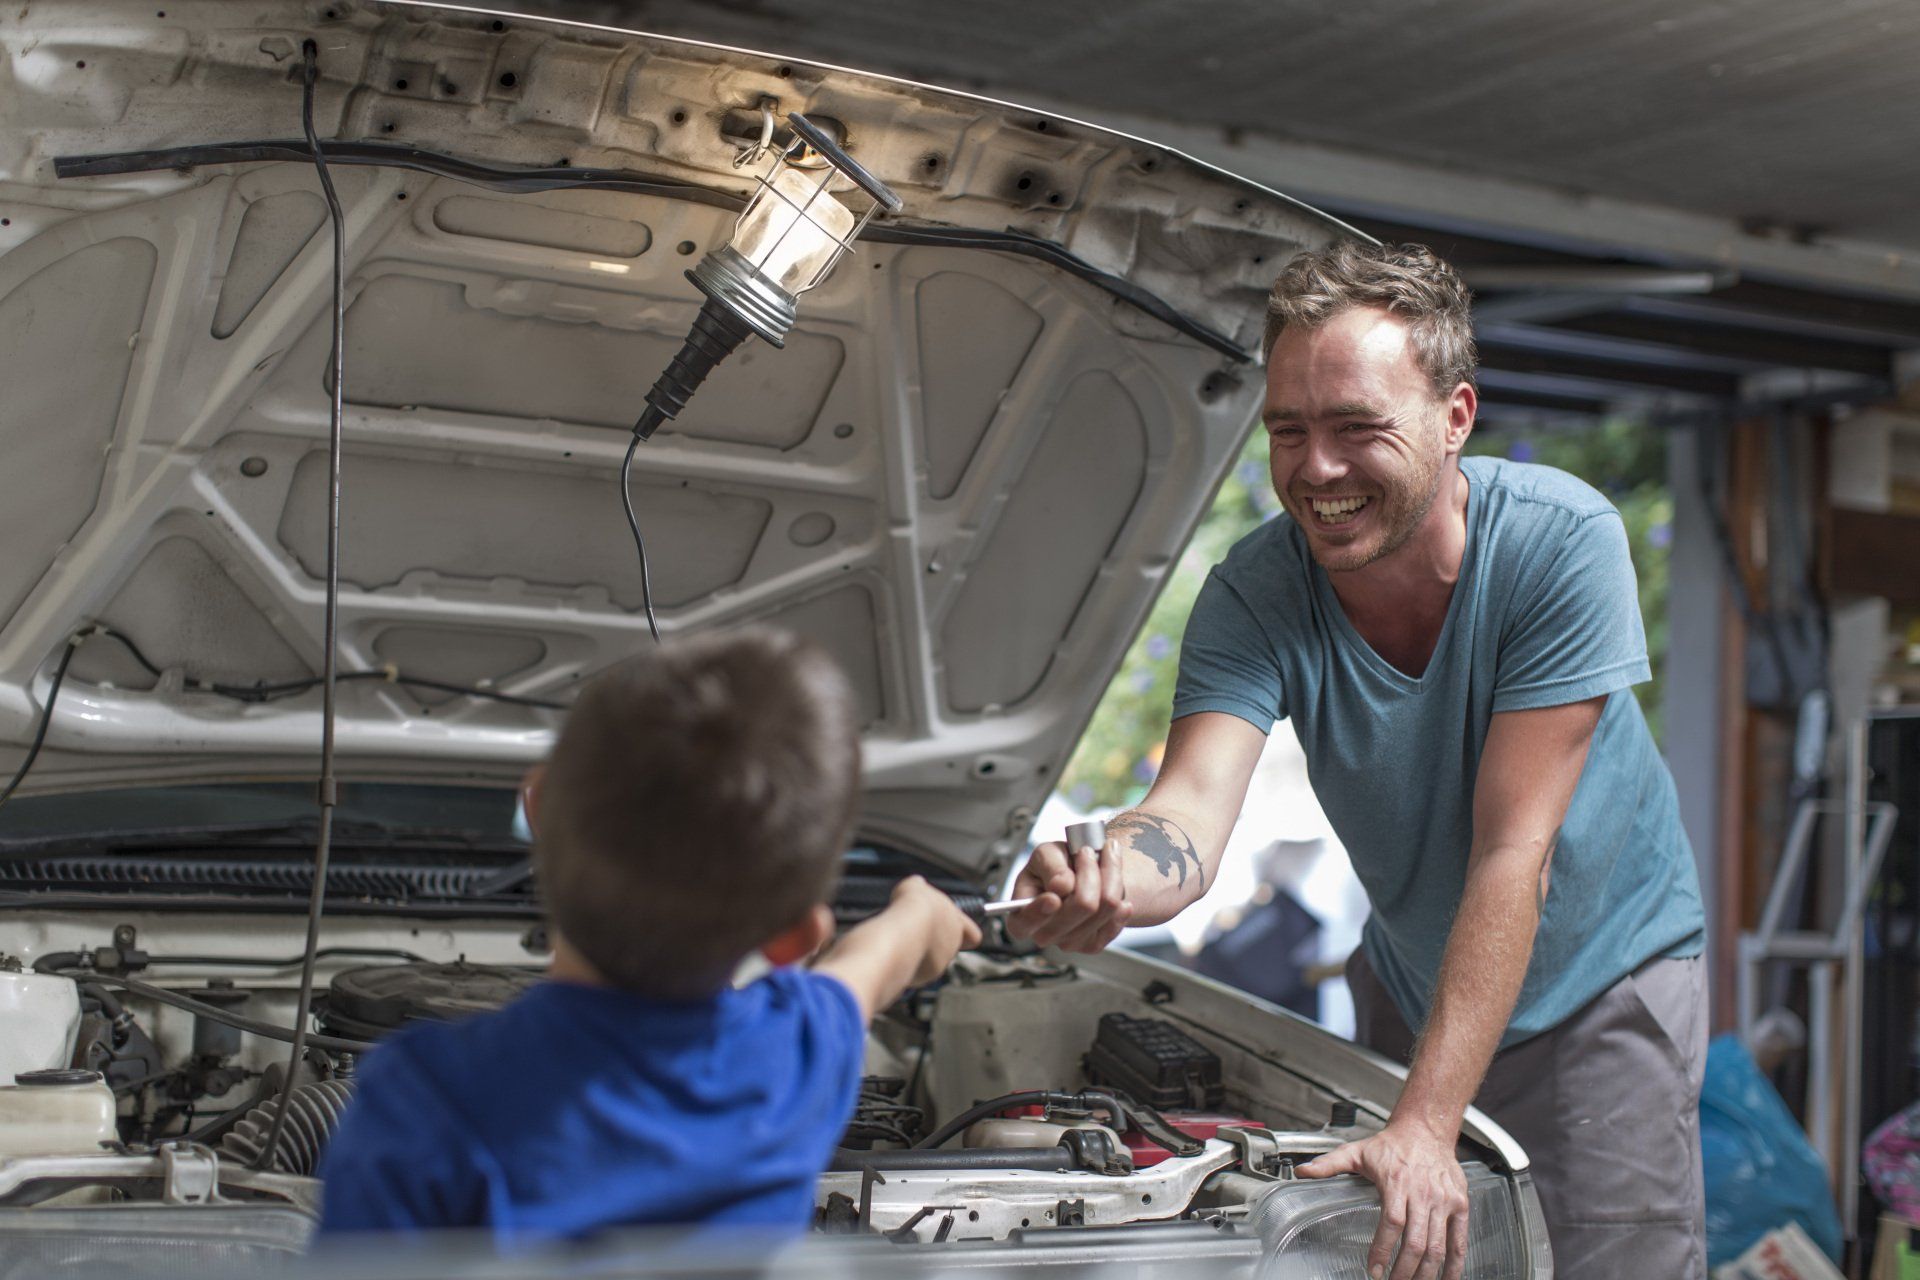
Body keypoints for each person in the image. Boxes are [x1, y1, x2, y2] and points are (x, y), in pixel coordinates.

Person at [1007, 241, 1707, 1280]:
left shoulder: (1562, 544)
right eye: (1288, 430)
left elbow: (1517, 850)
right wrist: (1105, 868)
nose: (1316, 468)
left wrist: (1425, 1124)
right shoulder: (1256, 591)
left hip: (1599, 987)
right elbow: (1188, 817)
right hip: (1416, 982)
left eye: (1355, 428)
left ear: (1455, 416)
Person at [317, 629, 980, 1246]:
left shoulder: (423, 1095)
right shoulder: (791, 1058)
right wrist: (925, 911)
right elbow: (880, 957)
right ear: (792, 942)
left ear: (537, 808)